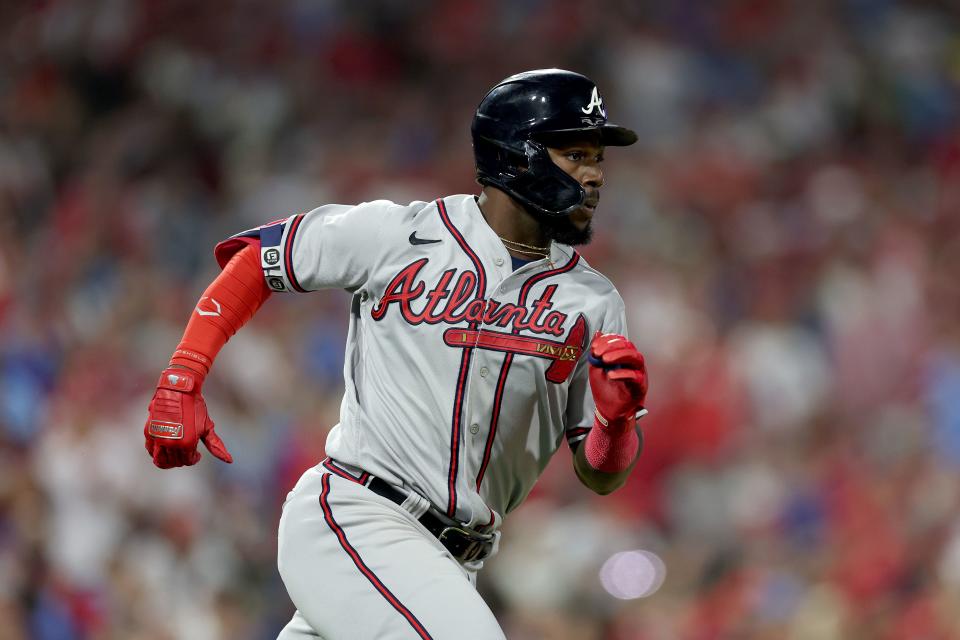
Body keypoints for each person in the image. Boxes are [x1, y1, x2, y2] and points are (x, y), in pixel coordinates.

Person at [144, 68, 649, 639]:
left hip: (453, 564)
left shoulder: (594, 302)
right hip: (361, 516)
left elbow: (601, 473)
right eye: (576, 153)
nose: (597, 174)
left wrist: (616, 421)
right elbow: (257, 260)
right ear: (518, 154)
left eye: (598, 157)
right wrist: (182, 376)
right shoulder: (400, 234)